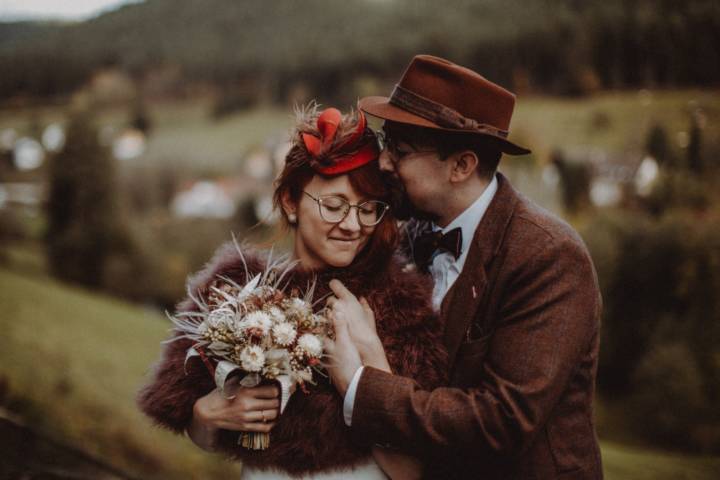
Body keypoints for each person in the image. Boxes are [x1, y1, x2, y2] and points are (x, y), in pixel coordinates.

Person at [324, 55, 603, 479]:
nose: (383, 163)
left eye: (400, 151)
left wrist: (359, 386)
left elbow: (501, 422)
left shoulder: (549, 257)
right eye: (387, 143)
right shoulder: (406, 231)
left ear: (461, 166)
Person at [137, 105, 447, 479]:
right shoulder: (233, 288)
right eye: (334, 205)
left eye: (369, 209)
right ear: (290, 202)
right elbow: (198, 429)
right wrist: (208, 413)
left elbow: (411, 471)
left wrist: (368, 367)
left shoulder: (400, 306)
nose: (352, 225)